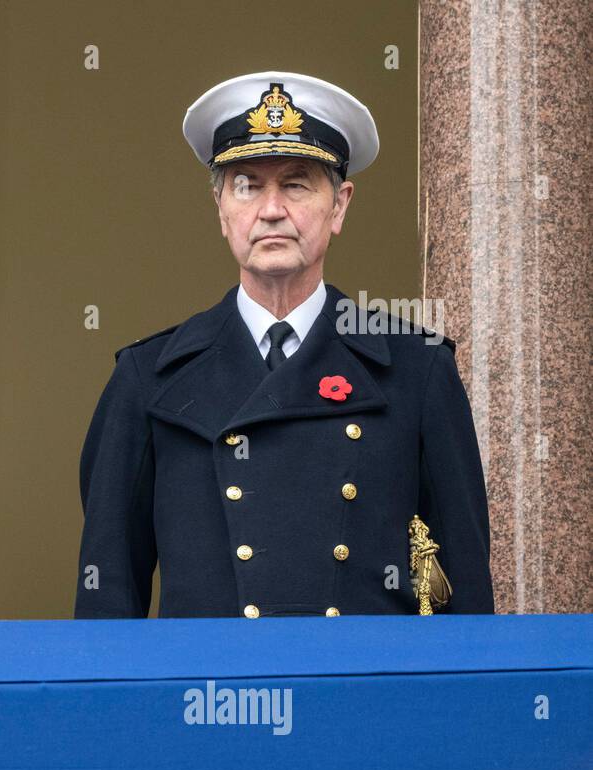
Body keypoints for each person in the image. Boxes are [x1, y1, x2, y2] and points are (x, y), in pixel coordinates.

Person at [74, 71, 493, 619]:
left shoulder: (417, 370)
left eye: (296, 184)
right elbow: (107, 600)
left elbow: (464, 595)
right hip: (212, 699)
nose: (271, 209)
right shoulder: (148, 378)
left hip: (361, 695)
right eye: (247, 184)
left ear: (339, 205)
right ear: (221, 209)